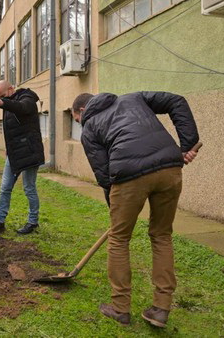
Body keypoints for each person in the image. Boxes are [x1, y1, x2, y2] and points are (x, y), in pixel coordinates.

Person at [71, 91, 199, 328]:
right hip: (169, 168)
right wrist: (188, 144)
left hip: (129, 176)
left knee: (119, 239)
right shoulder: (133, 98)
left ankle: (120, 309)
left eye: (78, 121)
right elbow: (176, 101)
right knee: (161, 235)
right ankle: (160, 309)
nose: (80, 125)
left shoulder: (89, 129)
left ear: (81, 111)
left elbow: (104, 175)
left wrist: (117, 213)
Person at [0, 80, 44, 235]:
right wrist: (9, 148)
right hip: (14, 153)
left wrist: (3, 102)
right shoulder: (7, 103)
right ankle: (0, 222)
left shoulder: (28, 98)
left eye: (3, 95)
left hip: (30, 152)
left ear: (11, 89)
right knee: (5, 188)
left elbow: (23, 108)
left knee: (29, 188)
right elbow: (10, 130)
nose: (2, 99)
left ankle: (33, 222)